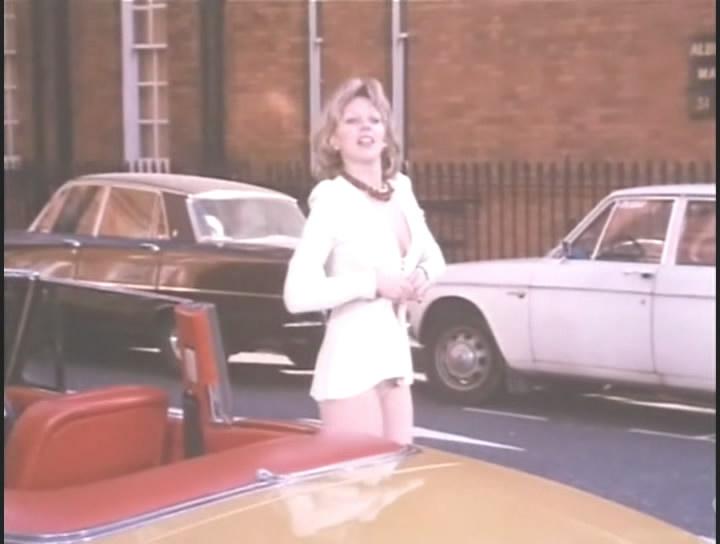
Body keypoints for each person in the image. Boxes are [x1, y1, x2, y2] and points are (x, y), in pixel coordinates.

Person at [283, 77, 445, 445]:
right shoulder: (332, 201)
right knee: (359, 479)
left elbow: (434, 256)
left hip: (396, 361)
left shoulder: (401, 190)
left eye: (374, 119)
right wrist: (373, 283)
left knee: (395, 476)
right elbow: (297, 294)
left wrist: (421, 274)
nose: (365, 128)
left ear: (386, 135)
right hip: (351, 363)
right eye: (352, 121)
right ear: (333, 139)